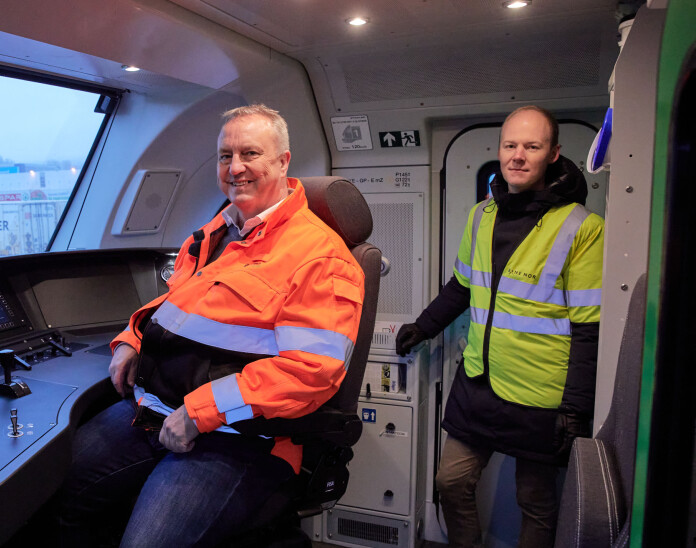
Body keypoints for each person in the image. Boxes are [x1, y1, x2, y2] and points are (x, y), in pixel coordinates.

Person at [55, 104, 365, 547]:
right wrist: (131, 339)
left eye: (250, 154)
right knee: (53, 493)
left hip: (242, 438)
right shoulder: (216, 234)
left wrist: (200, 414)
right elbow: (176, 303)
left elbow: (309, 371)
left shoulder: (321, 257)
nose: (235, 168)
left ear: (283, 161)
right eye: (225, 156)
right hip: (158, 409)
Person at [395, 106, 604, 547]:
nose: (518, 156)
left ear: (553, 154)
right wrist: (424, 326)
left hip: (541, 394)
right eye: (510, 145)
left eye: (532, 146)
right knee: (450, 482)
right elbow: (463, 286)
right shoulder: (482, 215)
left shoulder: (583, 228)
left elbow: (590, 328)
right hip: (479, 382)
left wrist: (576, 408)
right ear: (499, 150)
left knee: (536, 502)